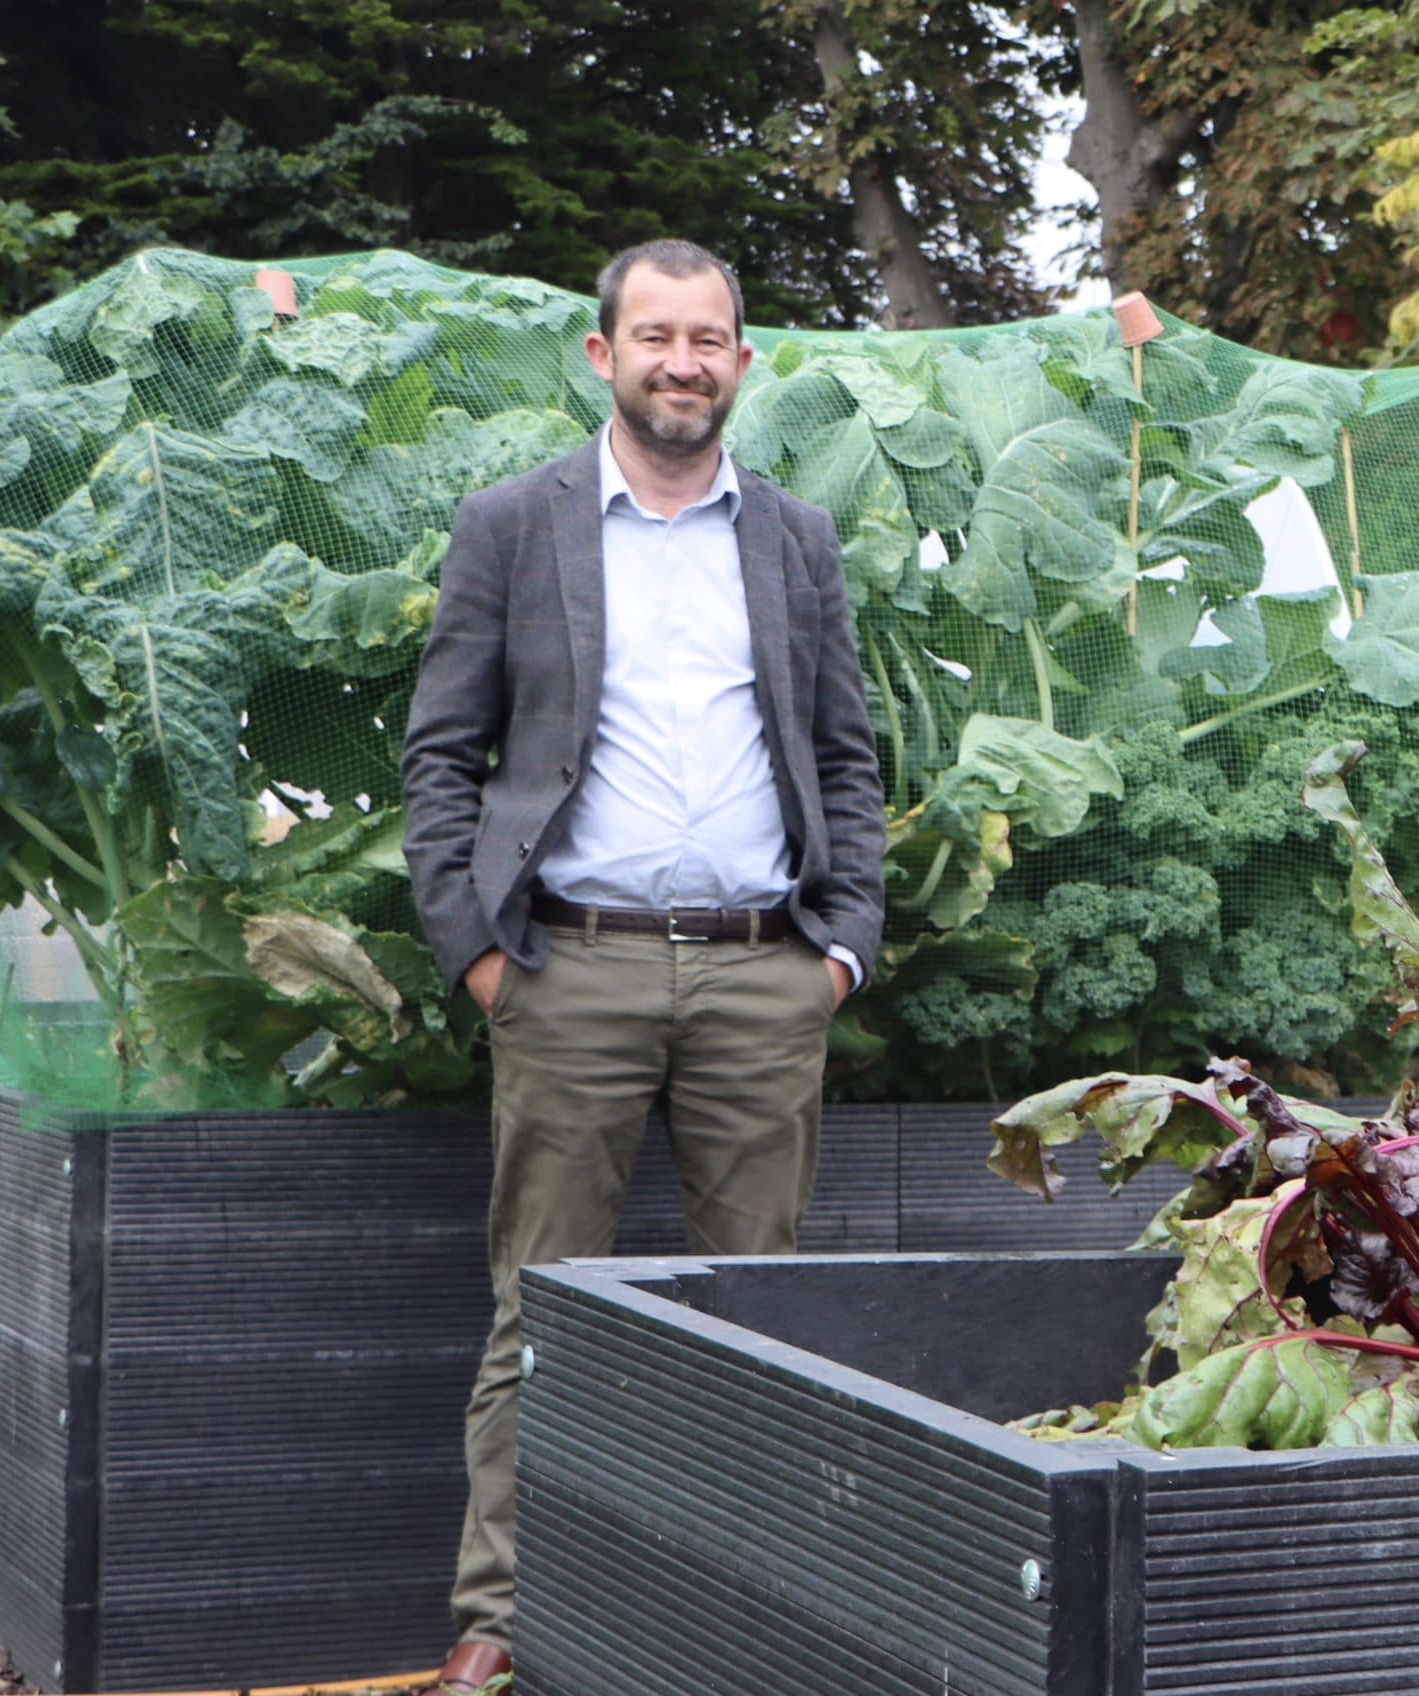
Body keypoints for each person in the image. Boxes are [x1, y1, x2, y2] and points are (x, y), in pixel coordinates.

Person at [399, 237, 887, 1692]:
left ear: (743, 362)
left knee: (762, 1316)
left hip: (763, 977)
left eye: (710, 337)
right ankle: (499, 1620)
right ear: (602, 356)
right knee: (538, 1306)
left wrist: (841, 951)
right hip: (572, 973)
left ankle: (743, 1621)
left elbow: (848, 757)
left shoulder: (793, 536)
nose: (684, 360)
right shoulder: (514, 524)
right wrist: (481, 955)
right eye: (655, 335)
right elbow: (440, 757)